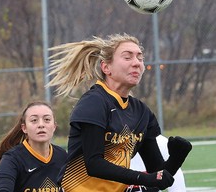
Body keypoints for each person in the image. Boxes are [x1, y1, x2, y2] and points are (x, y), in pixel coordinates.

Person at [47, 33, 192, 192]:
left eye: (140, 58)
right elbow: (94, 164)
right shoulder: (94, 102)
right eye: (127, 57)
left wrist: (177, 157)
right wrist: (142, 178)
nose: (137, 63)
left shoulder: (142, 112)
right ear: (106, 67)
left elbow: (157, 176)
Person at [0, 101, 68, 192]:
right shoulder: (12, 159)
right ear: (24, 128)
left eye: (47, 120)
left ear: (54, 127)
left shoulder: (63, 156)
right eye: (34, 120)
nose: (41, 125)